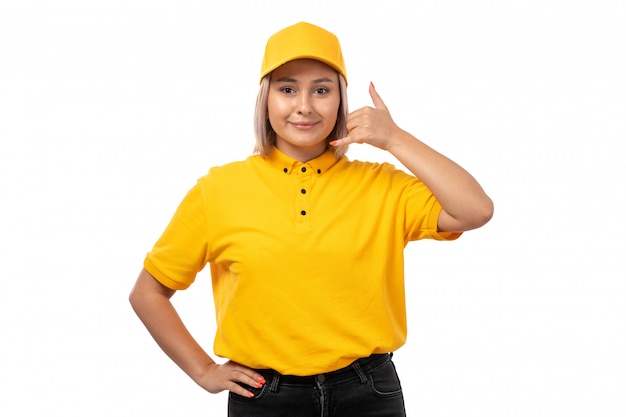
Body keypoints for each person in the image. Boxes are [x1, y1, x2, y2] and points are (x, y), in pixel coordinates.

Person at [129, 21, 493, 417]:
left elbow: (475, 210)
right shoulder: (218, 190)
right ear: (266, 99)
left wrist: (394, 139)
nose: (304, 105)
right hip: (264, 397)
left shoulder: (382, 186)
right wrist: (202, 371)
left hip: (368, 393)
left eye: (322, 89)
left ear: (341, 101)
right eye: (287, 89)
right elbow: (148, 293)